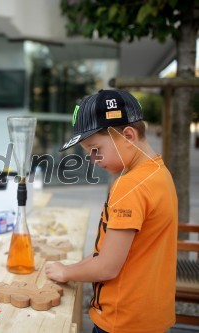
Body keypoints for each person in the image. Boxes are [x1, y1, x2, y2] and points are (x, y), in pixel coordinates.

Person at [46, 89, 178, 333]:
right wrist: (77, 267)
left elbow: (107, 266)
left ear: (128, 135)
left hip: (122, 320)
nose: (93, 158)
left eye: (95, 148)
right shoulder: (159, 174)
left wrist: (67, 271)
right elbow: (112, 252)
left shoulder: (130, 186)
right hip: (150, 317)